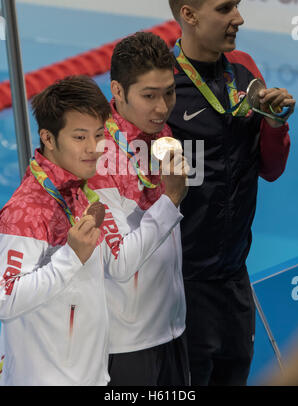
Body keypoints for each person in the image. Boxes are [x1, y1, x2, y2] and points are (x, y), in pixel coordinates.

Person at [0, 75, 186, 386]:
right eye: (79, 137)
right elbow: (5, 299)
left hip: (92, 376)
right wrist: (71, 257)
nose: (94, 149)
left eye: (99, 135)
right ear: (48, 137)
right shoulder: (28, 210)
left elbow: (118, 263)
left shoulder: (80, 190)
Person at [167, 0, 296, 386]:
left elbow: (271, 170)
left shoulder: (243, 70)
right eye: (225, 9)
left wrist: (275, 123)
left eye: (237, 6)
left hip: (234, 279)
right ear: (189, 15)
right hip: (180, 282)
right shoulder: (162, 89)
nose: (238, 18)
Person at [91, 31, 189, 386]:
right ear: (117, 91)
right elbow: (117, 263)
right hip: (126, 345)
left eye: (169, 92)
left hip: (172, 329)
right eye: (149, 96)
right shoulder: (98, 155)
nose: (162, 107)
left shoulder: (162, 134)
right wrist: (172, 199)